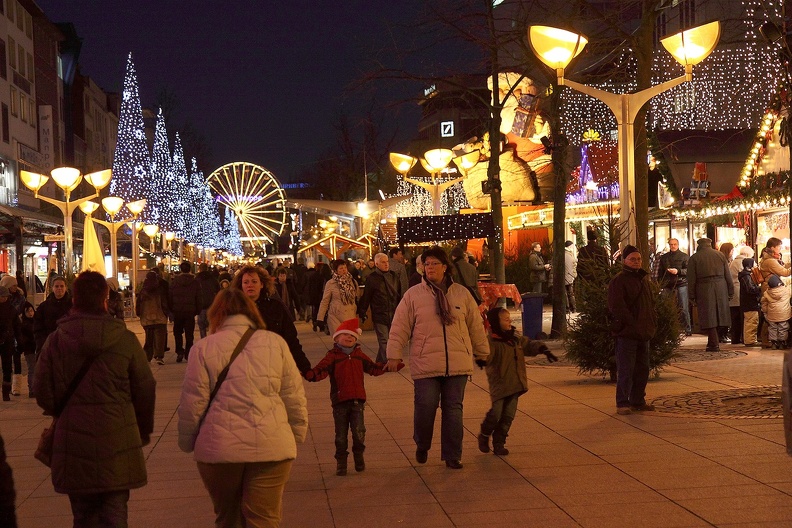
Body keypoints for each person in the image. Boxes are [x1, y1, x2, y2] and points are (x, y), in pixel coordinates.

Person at [178, 287, 308, 527]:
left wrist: (187, 441)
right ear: (251, 312)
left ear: (216, 314)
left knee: (228, 517)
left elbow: (192, 402)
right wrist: (297, 432)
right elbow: (293, 394)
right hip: (271, 446)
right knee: (264, 518)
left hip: (219, 449)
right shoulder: (275, 343)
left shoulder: (203, 348)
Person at [34, 271, 156, 527]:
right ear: (105, 298)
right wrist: (141, 430)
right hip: (118, 438)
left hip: (73, 440)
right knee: (115, 513)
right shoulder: (125, 339)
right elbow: (145, 389)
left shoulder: (56, 341)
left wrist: (63, 411)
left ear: (74, 298)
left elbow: (42, 389)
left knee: (83, 515)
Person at [386, 247, 489, 469]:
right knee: (426, 406)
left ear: (445, 266)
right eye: (426, 264)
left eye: (434, 263)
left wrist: (483, 352)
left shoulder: (461, 293)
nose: (429, 268)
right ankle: (422, 444)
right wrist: (393, 354)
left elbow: (475, 326)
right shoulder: (413, 295)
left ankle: (453, 455)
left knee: (453, 409)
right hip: (426, 362)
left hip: (457, 362)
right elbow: (399, 327)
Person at [304, 318, 402, 476]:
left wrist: (388, 367)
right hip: (340, 403)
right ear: (336, 338)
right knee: (341, 436)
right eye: (345, 335)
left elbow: (372, 368)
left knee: (359, 432)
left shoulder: (359, 355)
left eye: (352, 337)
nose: (348, 338)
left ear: (356, 339)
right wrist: (311, 374)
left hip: (357, 402)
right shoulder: (332, 356)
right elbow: (321, 370)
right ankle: (341, 463)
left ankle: (358, 456)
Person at [478, 307, 557, 456]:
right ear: (496, 322)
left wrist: (542, 349)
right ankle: (484, 434)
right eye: (506, 320)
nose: (510, 322)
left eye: (509, 319)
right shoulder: (491, 341)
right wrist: (481, 358)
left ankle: (499, 442)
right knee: (496, 413)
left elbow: (528, 344)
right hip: (500, 383)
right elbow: (485, 355)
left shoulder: (514, 337)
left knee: (508, 416)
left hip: (515, 383)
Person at [232, 265, 311, 374]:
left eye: (254, 281)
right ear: (240, 286)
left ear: (262, 284)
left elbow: (291, 339)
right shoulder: (233, 310)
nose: (250, 285)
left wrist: (305, 367)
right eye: (246, 282)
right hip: (243, 369)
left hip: (272, 366)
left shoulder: (275, 307)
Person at [608, 245, 657, 416]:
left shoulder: (643, 279)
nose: (636, 262)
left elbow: (650, 304)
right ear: (625, 261)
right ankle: (622, 402)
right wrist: (631, 324)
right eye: (632, 259)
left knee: (643, 368)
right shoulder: (619, 281)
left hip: (644, 332)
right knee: (626, 369)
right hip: (627, 333)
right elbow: (617, 307)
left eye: (638, 259)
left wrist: (651, 323)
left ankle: (638, 400)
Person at [688, 238, 733, 352]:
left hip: (704, 288)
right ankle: (713, 341)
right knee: (719, 314)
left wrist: (691, 295)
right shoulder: (720, 255)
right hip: (721, 286)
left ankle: (713, 343)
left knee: (708, 315)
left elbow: (691, 279)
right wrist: (730, 290)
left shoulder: (694, 258)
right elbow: (728, 275)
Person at [357, 253, 401, 363]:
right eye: (383, 262)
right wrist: (362, 312)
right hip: (380, 314)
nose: (386, 264)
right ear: (376, 264)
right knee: (384, 340)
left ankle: (380, 362)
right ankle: (388, 362)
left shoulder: (394, 276)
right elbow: (367, 296)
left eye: (387, 262)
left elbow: (399, 294)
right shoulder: (372, 279)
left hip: (394, 313)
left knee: (392, 340)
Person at [657, 238, 692, 336]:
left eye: (674, 244)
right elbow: (660, 271)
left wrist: (678, 271)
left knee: (684, 307)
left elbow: (688, 270)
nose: (673, 246)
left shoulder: (684, 256)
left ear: (678, 245)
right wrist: (661, 283)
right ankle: (669, 329)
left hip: (681, 283)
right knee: (666, 307)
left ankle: (687, 329)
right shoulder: (664, 257)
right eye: (671, 244)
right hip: (668, 284)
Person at [170, 261, 201, 362]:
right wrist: (197, 310)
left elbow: (170, 296)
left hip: (178, 311)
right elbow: (199, 297)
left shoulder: (175, 281)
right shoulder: (195, 282)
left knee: (177, 332)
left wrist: (172, 309)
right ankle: (188, 353)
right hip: (190, 311)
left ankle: (179, 351)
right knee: (189, 334)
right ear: (190, 269)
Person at [317, 260, 359, 335]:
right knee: (340, 340)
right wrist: (320, 318)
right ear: (335, 270)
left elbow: (357, 297)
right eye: (341, 268)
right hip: (335, 316)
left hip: (351, 314)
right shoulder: (331, 283)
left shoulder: (353, 282)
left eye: (345, 268)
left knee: (350, 340)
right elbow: (325, 301)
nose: (344, 270)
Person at [137, 271, 170, 364]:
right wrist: (166, 313)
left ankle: (147, 357)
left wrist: (140, 314)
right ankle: (159, 356)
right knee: (160, 338)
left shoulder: (143, 291)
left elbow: (138, 305)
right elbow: (164, 303)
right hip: (159, 317)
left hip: (146, 318)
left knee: (149, 338)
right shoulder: (160, 290)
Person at [33, 276, 70, 356]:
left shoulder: (72, 306)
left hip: (68, 346)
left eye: (62, 286)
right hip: (49, 345)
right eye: (56, 286)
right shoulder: (44, 306)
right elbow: (38, 326)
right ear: (52, 288)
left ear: (66, 287)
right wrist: (42, 341)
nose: (59, 288)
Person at [729, 246, 754, 344]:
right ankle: (743, 338)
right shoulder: (743, 263)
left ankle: (735, 338)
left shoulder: (734, 261)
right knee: (741, 317)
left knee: (735, 317)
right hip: (740, 292)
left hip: (733, 292)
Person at [761, 274, 790, 349]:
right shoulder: (786, 290)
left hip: (771, 314)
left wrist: (765, 312)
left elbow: (764, 304)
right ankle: (782, 342)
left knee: (772, 328)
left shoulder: (767, 293)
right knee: (783, 328)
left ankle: (774, 342)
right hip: (784, 314)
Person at [738, 258, 762, 348]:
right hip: (750, 303)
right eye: (754, 263)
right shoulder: (746, 276)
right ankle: (750, 341)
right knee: (751, 322)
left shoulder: (745, 275)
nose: (755, 265)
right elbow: (750, 289)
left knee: (751, 321)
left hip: (748, 302)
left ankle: (750, 340)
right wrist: (759, 289)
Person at [0, 288, 19, 401]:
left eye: (6, 296)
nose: (4, 298)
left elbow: (16, 326)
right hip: (5, 338)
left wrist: (19, 341)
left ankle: (6, 392)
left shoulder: (11, 309)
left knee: (7, 367)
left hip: (7, 341)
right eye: (2, 296)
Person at [196, 263, 221, 339]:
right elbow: (218, 290)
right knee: (211, 325)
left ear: (200, 269)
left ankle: (203, 340)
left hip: (201, 304)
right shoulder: (213, 279)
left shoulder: (197, 279)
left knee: (202, 326)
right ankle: (211, 340)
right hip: (211, 304)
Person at [717, 243, 735, 343]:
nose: (732, 252)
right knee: (723, 313)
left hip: (722, 288)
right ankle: (722, 334)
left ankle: (722, 334)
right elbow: (728, 276)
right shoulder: (724, 260)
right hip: (723, 289)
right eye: (731, 250)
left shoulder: (727, 260)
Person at [17, 302, 35, 397]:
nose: (30, 313)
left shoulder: (36, 321)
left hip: (36, 348)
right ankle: (32, 390)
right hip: (30, 349)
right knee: (32, 369)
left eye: (32, 311)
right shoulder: (24, 324)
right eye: (28, 312)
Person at [563, 241, 577, 313]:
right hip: (569, 276)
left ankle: (568, 308)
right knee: (570, 293)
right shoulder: (569, 255)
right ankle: (572, 308)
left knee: (566, 293)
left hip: (565, 276)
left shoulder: (563, 254)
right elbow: (574, 264)